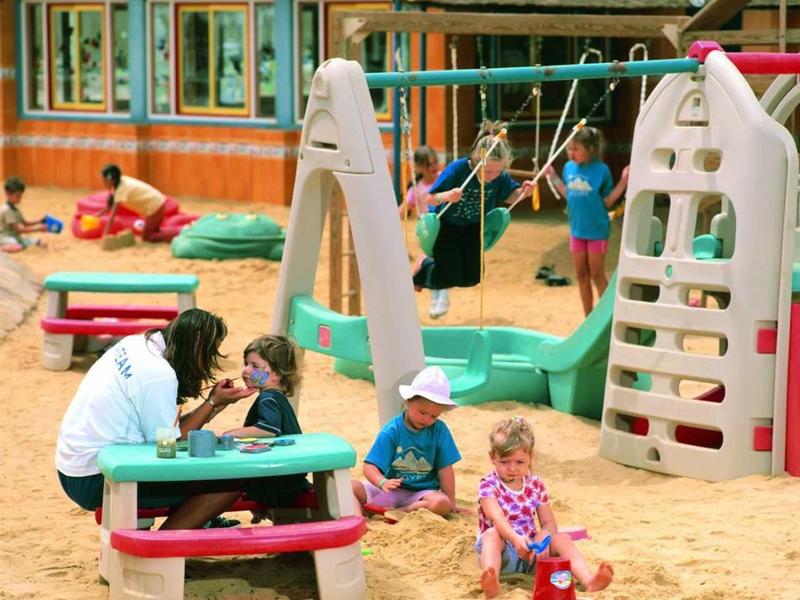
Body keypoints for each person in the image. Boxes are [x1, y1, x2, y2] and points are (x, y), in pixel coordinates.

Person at [55, 308, 256, 530]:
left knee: (199, 467)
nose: (208, 360)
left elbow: (165, 431)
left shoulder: (135, 343)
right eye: (210, 351)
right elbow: (168, 443)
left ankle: (195, 524)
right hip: (97, 479)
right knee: (227, 482)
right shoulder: (158, 375)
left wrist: (214, 404)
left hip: (74, 468)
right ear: (198, 343)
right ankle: (162, 546)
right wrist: (212, 404)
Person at [476, 416, 613, 598]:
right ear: (492, 457)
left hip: (532, 552)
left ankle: (589, 581)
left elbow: (549, 523)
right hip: (504, 552)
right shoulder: (488, 485)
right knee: (492, 534)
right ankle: (492, 580)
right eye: (504, 461)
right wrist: (515, 539)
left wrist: (543, 537)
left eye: (520, 462)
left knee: (561, 538)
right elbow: (497, 519)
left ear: (530, 458)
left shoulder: (535, 484)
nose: (512, 468)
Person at [412, 122, 535, 318]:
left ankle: (434, 267)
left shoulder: (499, 177)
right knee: (449, 277)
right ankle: (424, 268)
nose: (493, 177)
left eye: (498, 171)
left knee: (472, 278)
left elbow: (511, 195)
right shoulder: (458, 169)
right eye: (489, 171)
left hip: (473, 228)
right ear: (477, 159)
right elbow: (429, 198)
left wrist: (524, 192)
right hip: (447, 228)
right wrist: (448, 196)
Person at [351, 366, 461, 518]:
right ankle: (359, 520)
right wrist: (382, 482)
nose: (427, 419)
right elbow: (370, 466)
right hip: (388, 491)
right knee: (349, 487)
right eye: (422, 412)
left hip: (421, 495)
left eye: (434, 416)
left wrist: (452, 503)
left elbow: (445, 469)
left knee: (442, 503)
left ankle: (403, 511)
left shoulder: (439, 431)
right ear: (408, 401)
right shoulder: (392, 431)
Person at [545, 127, 629, 316]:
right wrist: (553, 177)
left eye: (576, 149)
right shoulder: (568, 168)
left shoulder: (602, 170)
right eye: (569, 149)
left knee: (597, 275)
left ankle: (608, 317)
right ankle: (588, 318)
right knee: (581, 275)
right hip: (576, 230)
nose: (571, 153)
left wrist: (623, 182)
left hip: (597, 231)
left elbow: (607, 200)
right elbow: (569, 194)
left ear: (590, 149)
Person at [223, 335, 311, 509]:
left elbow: (269, 428)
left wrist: (230, 434)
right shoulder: (277, 397)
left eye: (254, 366)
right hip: (290, 474)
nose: (246, 370)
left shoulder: (268, 398)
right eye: (245, 363)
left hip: (279, 480)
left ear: (276, 374)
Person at [398, 146, 450, 319]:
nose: (433, 167)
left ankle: (441, 298)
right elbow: (403, 210)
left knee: (440, 260)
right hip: (428, 232)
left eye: (435, 163)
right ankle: (437, 299)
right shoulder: (416, 188)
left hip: (445, 226)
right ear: (419, 167)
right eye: (428, 164)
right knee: (432, 263)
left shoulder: (444, 178)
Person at [100, 164, 174, 243]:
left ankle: (175, 235)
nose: (103, 182)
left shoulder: (121, 190)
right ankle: (173, 233)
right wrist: (97, 215)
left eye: (104, 180)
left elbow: (112, 215)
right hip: (156, 203)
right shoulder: (121, 181)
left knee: (148, 237)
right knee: (154, 231)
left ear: (112, 180)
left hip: (155, 206)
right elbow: (109, 205)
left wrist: (105, 235)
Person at [1, 177, 47, 252]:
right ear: (8, 194)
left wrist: (40, 221)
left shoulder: (15, 210)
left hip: (15, 237)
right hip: (5, 238)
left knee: (39, 242)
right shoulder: (7, 210)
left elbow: (25, 223)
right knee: (17, 247)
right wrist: (38, 229)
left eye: (21, 196)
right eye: (17, 196)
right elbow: (18, 230)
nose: (20, 198)